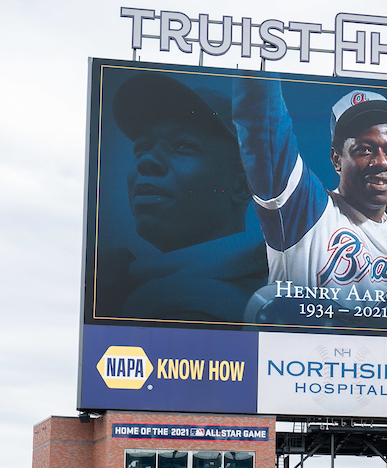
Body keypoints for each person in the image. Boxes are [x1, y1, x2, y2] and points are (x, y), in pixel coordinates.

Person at [233, 79, 387, 330]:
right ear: (337, 159)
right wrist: (261, 56)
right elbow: (263, 125)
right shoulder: (306, 211)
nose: (381, 163)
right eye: (365, 150)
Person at [99, 73, 267, 321]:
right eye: (141, 149)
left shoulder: (195, 303)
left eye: (183, 146)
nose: (146, 161)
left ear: (243, 186)